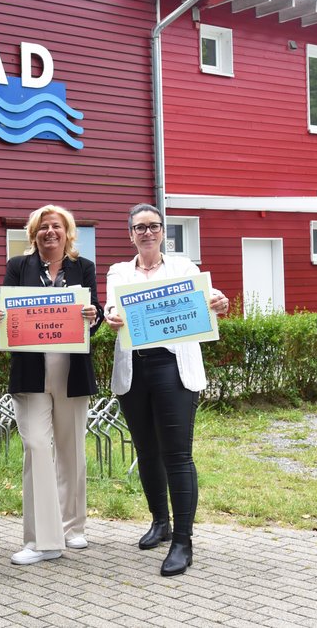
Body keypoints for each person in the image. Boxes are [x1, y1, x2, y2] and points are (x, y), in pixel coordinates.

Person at [104, 203, 229, 577]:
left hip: (173, 367)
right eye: (139, 227)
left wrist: (217, 301)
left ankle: (183, 542)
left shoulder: (183, 268)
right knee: (146, 451)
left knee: (177, 455)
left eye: (153, 226)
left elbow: (206, 295)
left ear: (163, 232)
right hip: (134, 368)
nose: (147, 233)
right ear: (130, 234)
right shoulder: (119, 271)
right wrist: (112, 315)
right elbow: (112, 306)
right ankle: (161, 522)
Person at [0, 205, 102, 565]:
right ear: (33, 234)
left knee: (71, 450)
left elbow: (96, 313)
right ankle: (42, 540)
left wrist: (93, 315)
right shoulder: (18, 266)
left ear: (67, 232)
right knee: (37, 447)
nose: (49, 232)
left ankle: (72, 526)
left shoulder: (83, 267)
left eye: (56, 226)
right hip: (31, 372)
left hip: (72, 370)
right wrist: (1, 317)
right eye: (42, 227)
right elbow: (9, 313)